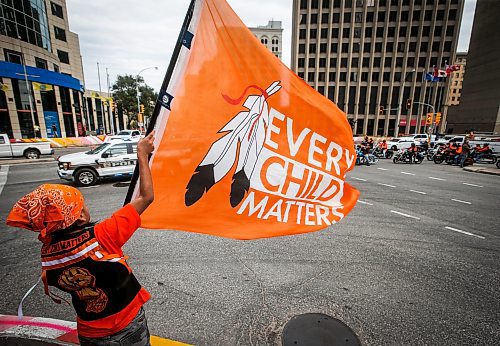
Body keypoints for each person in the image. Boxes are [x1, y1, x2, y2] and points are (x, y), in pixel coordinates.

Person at [6, 132, 156, 346]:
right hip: (126, 325)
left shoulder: (48, 252)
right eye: (82, 204)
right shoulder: (104, 234)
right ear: (82, 215)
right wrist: (142, 153)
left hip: (89, 332)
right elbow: (146, 197)